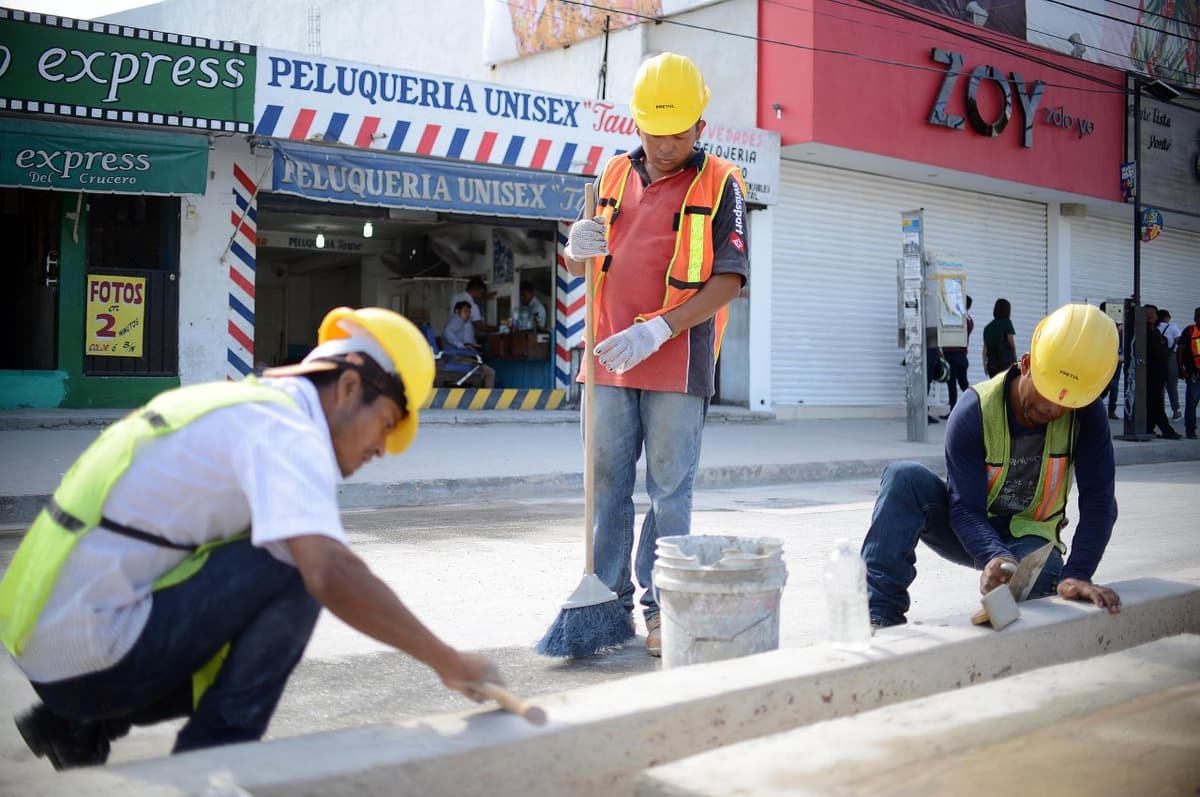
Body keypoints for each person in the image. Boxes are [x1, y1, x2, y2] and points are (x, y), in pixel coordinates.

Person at [0, 307, 501, 770]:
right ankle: (213, 766)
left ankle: (78, 723)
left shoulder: (249, 404)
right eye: (385, 424)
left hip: (46, 634)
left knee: (263, 594)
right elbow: (331, 574)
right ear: (349, 388)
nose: (381, 449)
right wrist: (450, 662)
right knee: (296, 571)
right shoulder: (286, 431)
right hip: (85, 653)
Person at [561, 52, 748, 657]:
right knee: (607, 486)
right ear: (635, 124)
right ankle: (606, 603)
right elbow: (584, 258)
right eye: (652, 130)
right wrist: (573, 248)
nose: (664, 144)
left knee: (669, 492)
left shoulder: (723, 183)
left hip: (675, 362)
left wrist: (659, 330)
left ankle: (663, 608)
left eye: (677, 131)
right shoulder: (612, 174)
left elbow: (729, 280)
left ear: (700, 124)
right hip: (609, 358)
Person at [862, 304, 1123, 629]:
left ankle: (1009, 622)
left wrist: (1078, 574)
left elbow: (1100, 502)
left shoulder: (1087, 414)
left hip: (1030, 539)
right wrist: (994, 555)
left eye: (1067, 402)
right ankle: (880, 618)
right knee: (904, 478)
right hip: (969, 528)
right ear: (1027, 363)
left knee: (1041, 581)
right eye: (1047, 390)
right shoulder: (974, 410)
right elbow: (965, 509)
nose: (1054, 407)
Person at [1144, 304, 1181, 439]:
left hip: (1160, 371)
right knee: (1156, 402)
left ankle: (1149, 427)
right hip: (1149, 372)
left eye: (1153, 313)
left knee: (1155, 401)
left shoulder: (1156, 331)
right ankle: (1166, 429)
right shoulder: (1142, 331)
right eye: (1147, 313)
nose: (1150, 315)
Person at [442, 301, 496, 388]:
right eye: (465, 311)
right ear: (457, 311)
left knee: (481, 371)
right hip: (457, 359)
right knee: (490, 373)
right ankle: (488, 399)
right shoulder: (457, 319)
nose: (468, 314)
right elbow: (447, 332)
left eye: (469, 312)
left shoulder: (455, 320)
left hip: (454, 357)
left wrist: (467, 345)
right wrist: (461, 345)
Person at [940, 294, 974, 419]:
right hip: (961, 355)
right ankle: (973, 406)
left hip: (952, 354)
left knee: (952, 384)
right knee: (963, 383)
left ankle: (954, 410)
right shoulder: (969, 320)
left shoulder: (957, 318)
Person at [1179, 306, 1200, 439]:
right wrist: (1181, 369)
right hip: (1194, 375)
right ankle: (1190, 431)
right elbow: (1180, 350)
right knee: (1192, 403)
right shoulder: (1190, 330)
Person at [1098, 301, 1122, 420]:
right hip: (1103, 357)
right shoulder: (1099, 323)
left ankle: (1112, 410)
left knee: (1115, 385)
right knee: (1107, 383)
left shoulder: (1117, 323)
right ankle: (1096, 401)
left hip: (1116, 357)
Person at [1157, 308, 1182, 420]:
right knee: (1172, 387)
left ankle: (1160, 411)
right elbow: (1179, 341)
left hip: (1157, 359)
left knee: (1159, 387)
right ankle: (1176, 411)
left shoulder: (1155, 328)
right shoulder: (1173, 327)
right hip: (1171, 357)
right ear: (1167, 317)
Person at [982, 298, 1017, 378]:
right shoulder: (1007, 323)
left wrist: (985, 365)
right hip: (1005, 363)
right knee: (1006, 387)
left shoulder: (987, 328)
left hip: (992, 365)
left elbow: (985, 349)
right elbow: (1011, 343)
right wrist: (1015, 361)